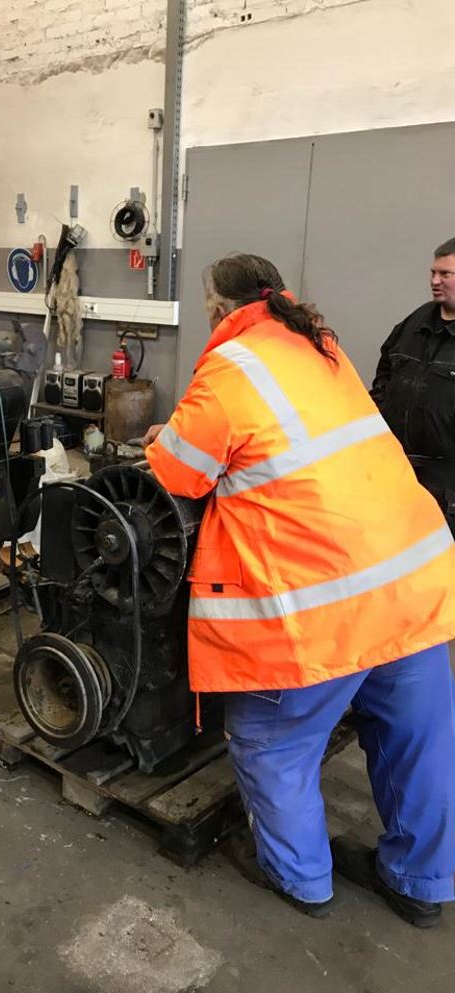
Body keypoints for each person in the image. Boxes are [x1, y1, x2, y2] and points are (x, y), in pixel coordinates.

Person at [143, 253, 455, 927]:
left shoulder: (231, 366)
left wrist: (162, 439)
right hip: (411, 580)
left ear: (219, 308)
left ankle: (301, 878)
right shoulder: (321, 345)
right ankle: (422, 882)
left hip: (324, 601)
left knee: (271, 741)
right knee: (420, 739)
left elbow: (176, 473)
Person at [371, 238, 455, 531]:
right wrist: (384, 404)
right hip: (399, 471)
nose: (435, 281)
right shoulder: (415, 323)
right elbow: (386, 368)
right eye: (433, 272)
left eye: (445, 274)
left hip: (448, 482)